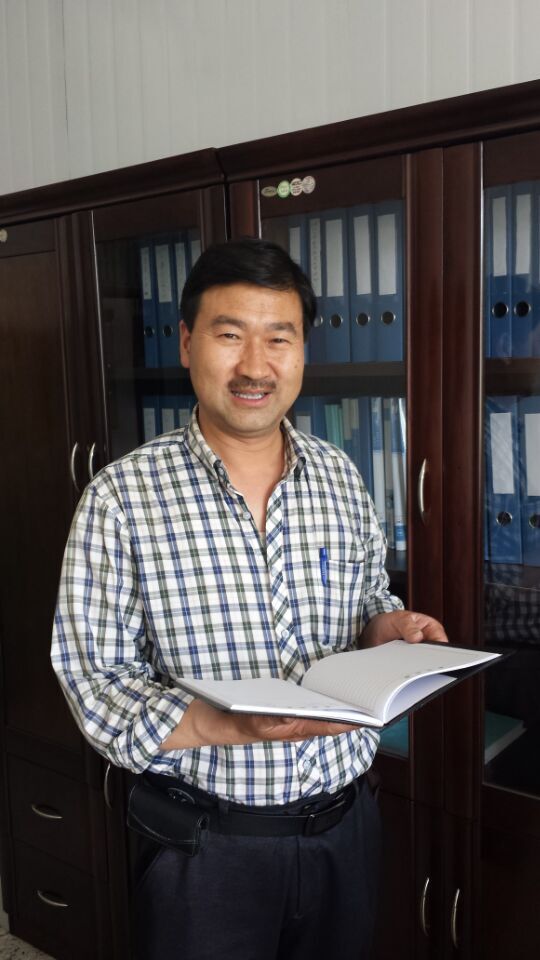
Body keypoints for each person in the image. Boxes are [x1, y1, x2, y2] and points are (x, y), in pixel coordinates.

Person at [51, 237, 447, 960]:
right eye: (230, 335)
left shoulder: (339, 476)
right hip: (205, 850)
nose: (255, 366)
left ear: (302, 351)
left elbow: (367, 596)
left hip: (345, 830)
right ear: (186, 342)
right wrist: (221, 723)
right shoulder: (120, 498)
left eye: (278, 338)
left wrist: (384, 626)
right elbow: (93, 682)